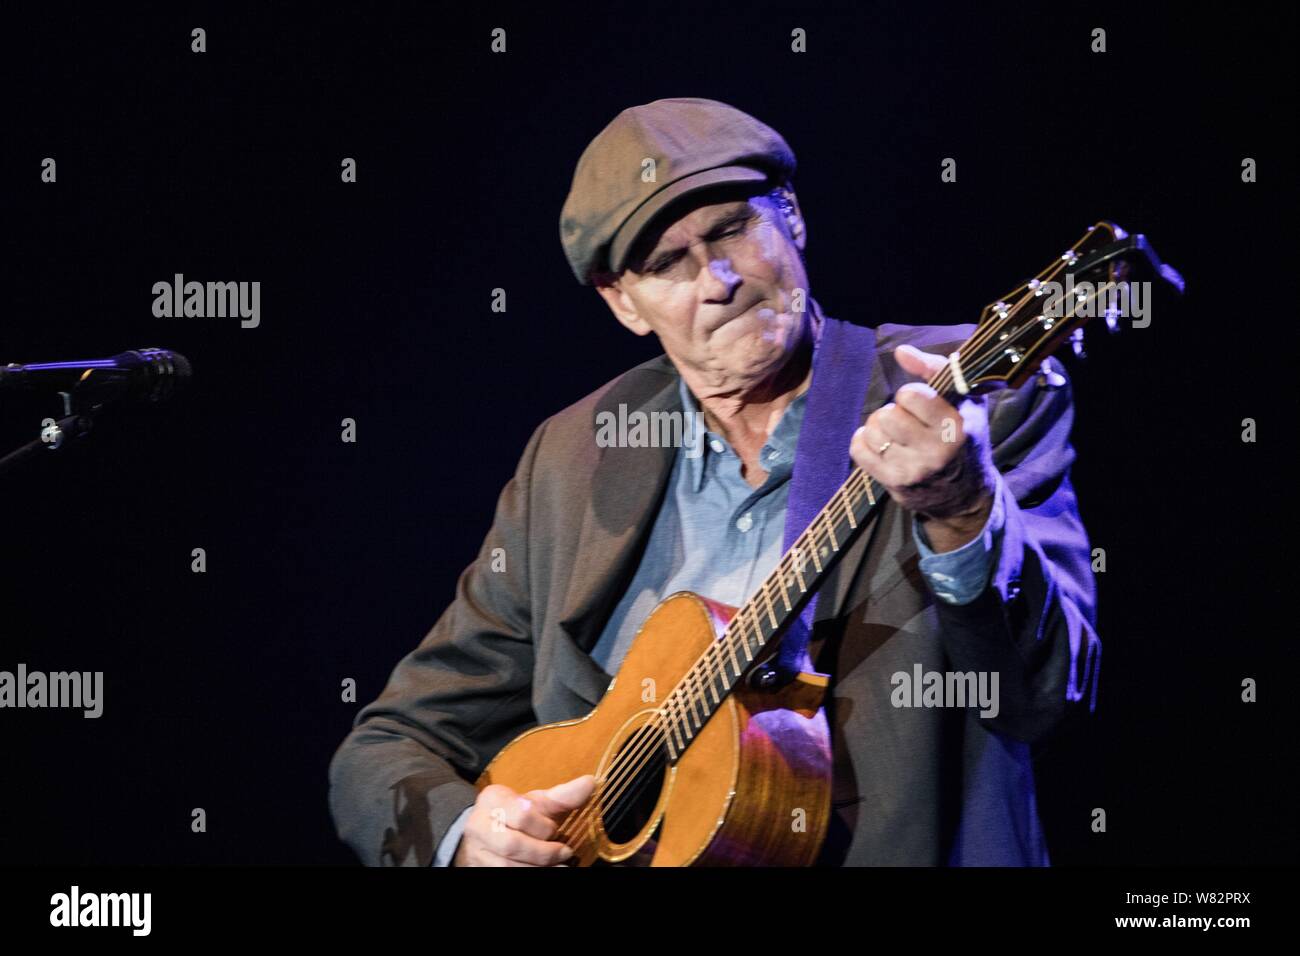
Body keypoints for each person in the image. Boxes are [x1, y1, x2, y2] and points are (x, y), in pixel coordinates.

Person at [328, 97, 1101, 867]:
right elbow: (391, 745)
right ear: (621, 301)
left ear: (791, 216)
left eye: (733, 228)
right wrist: (467, 837)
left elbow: (1038, 694)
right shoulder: (570, 459)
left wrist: (962, 508)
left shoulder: (952, 398)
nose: (718, 279)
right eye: (667, 263)